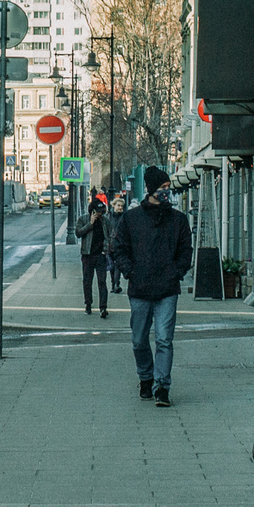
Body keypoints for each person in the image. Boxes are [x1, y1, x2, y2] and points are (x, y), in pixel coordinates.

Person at [108, 167, 193, 406]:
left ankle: (162, 386)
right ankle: (145, 377)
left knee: (165, 339)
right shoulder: (132, 219)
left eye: (169, 188)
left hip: (167, 289)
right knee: (139, 339)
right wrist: (130, 272)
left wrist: (177, 272)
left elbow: (186, 250)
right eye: (163, 188)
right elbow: (119, 249)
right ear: (151, 190)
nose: (168, 192)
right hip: (140, 289)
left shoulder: (178, 220)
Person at [78, 192, 111, 318]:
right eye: (98, 212)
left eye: (102, 212)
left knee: (102, 282)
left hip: (100, 255)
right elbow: (78, 233)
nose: (100, 214)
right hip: (87, 255)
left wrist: (106, 249)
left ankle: (103, 307)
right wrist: (90, 224)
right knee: (87, 281)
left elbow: (110, 235)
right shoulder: (83, 219)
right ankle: (88, 305)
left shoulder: (105, 221)